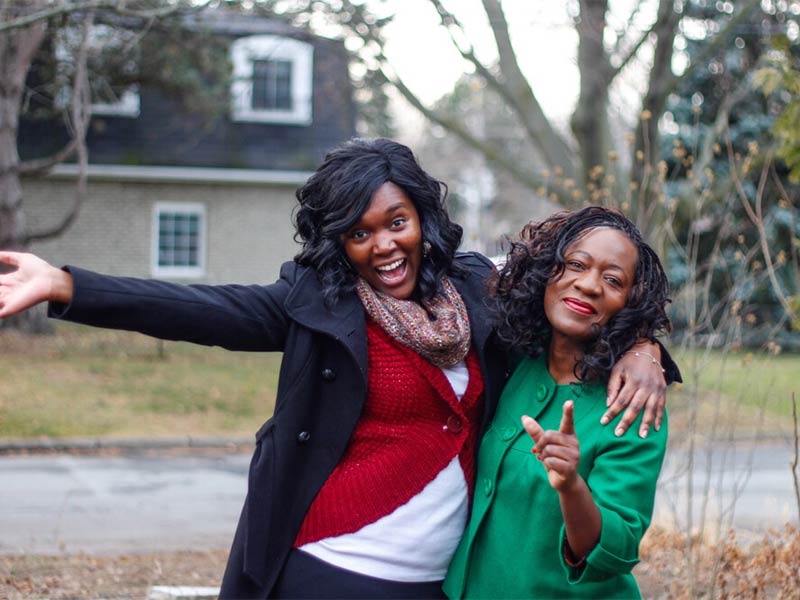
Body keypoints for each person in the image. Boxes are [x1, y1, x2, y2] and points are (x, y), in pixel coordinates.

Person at [0, 139, 677, 599]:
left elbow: (580, 293)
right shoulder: (321, 307)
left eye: (396, 221)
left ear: (423, 218)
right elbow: (204, 309)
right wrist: (67, 286)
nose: (383, 244)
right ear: (340, 242)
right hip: (332, 568)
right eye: (359, 231)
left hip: (439, 582)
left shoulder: (475, 293)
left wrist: (645, 345)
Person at [444, 206, 675, 599]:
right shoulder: (513, 359)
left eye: (613, 280)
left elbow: (616, 551)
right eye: (575, 264)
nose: (588, 285)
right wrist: (648, 349)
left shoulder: (632, 403)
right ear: (545, 272)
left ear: (629, 304)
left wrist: (570, 485)